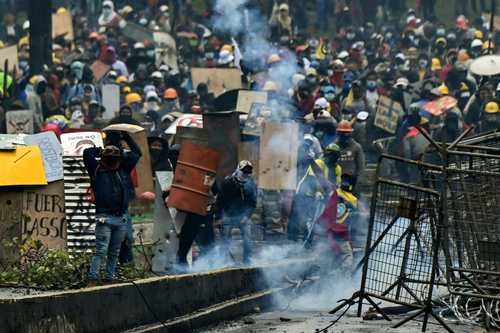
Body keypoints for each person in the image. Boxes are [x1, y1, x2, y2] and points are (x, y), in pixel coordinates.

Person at [83, 131, 142, 284]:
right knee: (101, 250)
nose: (111, 159)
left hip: (120, 218)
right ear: (103, 157)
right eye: (109, 156)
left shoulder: (122, 169)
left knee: (114, 252)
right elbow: (86, 152)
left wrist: (126, 137)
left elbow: (137, 153)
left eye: (114, 156)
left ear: (119, 158)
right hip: (104, 217)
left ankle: (109, 278)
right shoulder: (96, 170)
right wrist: (102, 149)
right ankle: (93, 278)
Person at [216, 160, 257, 264]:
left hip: (243, 216)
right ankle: (224, 261)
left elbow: (253, 202)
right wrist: (219, 217)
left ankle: (247, 261)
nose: (246, 175)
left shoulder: (251, 183)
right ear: (238, 170)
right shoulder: (227, 182)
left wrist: (247, 216)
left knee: (248, 239)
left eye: (248, 173)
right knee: (225, 240)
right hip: (228, 215)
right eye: (244, 172)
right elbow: (220, 200)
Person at [336, 120, 365, 190]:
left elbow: (361, 167)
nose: (344, 136)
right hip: (336, 182)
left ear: (350, 134)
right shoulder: (334, 147)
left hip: (351, 182)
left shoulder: (357, 147)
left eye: (346, 133)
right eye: (342, 133)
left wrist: (358, 183)